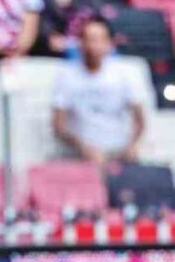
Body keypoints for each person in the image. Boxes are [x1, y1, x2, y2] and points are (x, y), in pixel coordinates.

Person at [52, 18, 148, 163]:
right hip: (81, 156)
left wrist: (132, 145)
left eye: (99, 39)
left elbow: (140, 119)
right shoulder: (66, 76)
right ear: (80, 43)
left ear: (109, 43)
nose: (93, 46)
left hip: (121, 153)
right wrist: (82, 147)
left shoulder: (126, 73)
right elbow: (58, 125)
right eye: (89, 39)